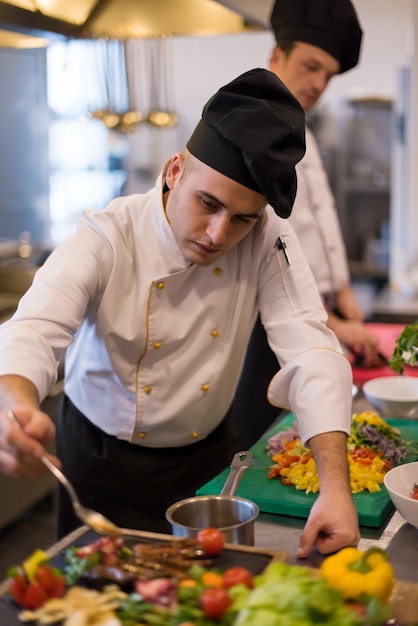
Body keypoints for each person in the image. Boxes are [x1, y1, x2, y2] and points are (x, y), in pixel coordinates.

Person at [0, 68, 359, 558]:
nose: (217, 233)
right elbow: (34, 332)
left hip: (206, 459)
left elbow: (313, 349)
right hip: (102, 464)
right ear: (174, 170)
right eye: (207, 203)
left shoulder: (266, 238)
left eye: (241, 218)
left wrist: (335, 489)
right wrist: (16, 404)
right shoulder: (108, 235)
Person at [233, 0, 383, 449]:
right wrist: (334, 320)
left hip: (322, 317)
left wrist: (343, 292)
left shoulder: (303, 128)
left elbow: (320, 219)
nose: (319, 84)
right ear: (277, 55)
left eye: (329, 75)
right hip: (269, 339)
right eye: (312, 66)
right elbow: (268, 254)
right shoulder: (250, 131)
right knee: (272, 451)